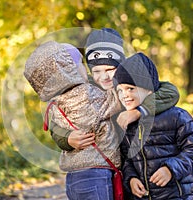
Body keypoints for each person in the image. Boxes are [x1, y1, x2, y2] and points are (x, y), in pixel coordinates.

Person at [50, 28, 180, 153]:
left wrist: (138, 112)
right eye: (96, 71)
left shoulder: (130, 83)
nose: (104, 77)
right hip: (99, 159)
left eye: (110, 69)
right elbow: (57, 119)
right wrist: (67, 138)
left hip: (131, 159)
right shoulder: (84, 88)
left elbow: (169, 92)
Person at [24, 40, 123, 200]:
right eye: (82, 65)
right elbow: (117, 101)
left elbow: (56, 131)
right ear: (70, 69)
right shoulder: (87, 95)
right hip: (96, 173)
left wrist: (67, 139)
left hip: (73, 177)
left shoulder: (55, 103)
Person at [114, 52, 193, 199]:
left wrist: (170, 169)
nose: (124, 95)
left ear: (149, 88)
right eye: (120, 90)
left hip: (176, 194)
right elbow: (126, 159)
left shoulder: (177, 116)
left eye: (131, 88)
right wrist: (131, 179)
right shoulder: (127, 122)